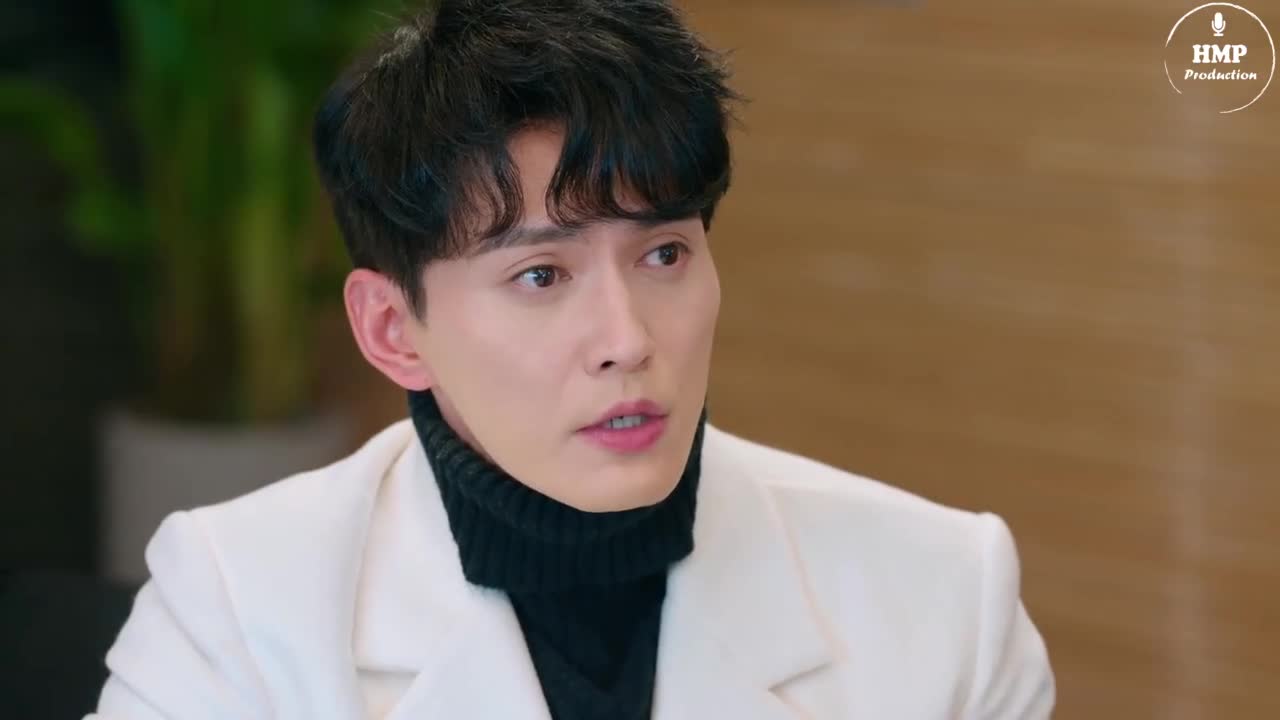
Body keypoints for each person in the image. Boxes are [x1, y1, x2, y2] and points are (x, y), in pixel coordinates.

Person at [88, 1, 1055, 718]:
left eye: (663, 254)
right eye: (542, 275)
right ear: (392, 330)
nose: (628, 341)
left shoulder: (944, 594)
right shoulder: (238, 607)